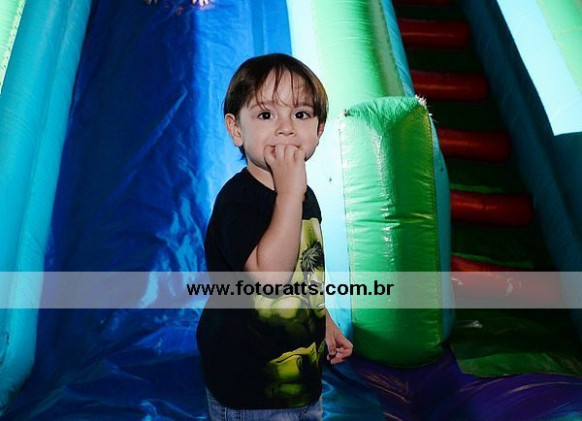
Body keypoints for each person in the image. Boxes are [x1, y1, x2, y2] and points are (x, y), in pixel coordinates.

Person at [197, 53, 353, 421]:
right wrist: (289, 194)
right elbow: (270, 279)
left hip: (301, 381)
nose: (285, 128)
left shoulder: (304, 196)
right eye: (266, 115)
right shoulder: (238, 203)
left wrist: (323, 321)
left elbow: (305, 274)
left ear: (319, 130)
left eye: (301, 114)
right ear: (236, 129)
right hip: (250, 390)